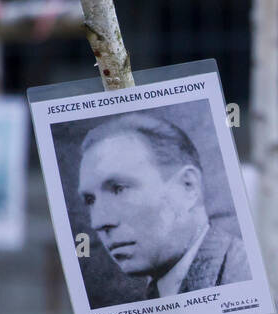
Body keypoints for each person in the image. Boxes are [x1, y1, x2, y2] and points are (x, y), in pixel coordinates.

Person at [77, 113, 250, 298]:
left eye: (119, 189)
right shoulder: (160, 290)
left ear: (188, 186)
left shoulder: (245, 275)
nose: (98, 222)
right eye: (90, 200)